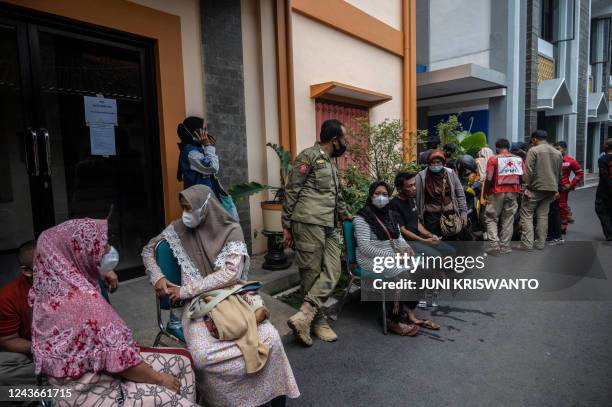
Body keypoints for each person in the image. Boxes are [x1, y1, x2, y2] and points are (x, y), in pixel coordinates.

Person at [142, 185, 299, 407]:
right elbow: (148, 250)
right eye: (183, 208)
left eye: (190, 208)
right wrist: (157, 277)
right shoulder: (178, 229)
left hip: (230, 296)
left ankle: (273, 395)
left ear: (205, 206)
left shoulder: (230, 229)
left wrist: (185, 290)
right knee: (203, 357)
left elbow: (230, 274)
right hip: (197, 306)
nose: (186, 214)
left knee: (271, 339)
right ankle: (224, 401)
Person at [30, 219, 197, 406]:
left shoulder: (47, 291)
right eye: (101, 246)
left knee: (182, 362)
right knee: (175, 396)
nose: (108, 249)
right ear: (77, 253)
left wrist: (97, 272)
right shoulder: (87, 305)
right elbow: (124, 365)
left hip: (72, 383)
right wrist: (160, 379)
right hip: (95, 392)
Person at [282, 119, 351, 346]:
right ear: (334, 139)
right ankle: (317, 322)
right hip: (308, 221)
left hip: (329, 223)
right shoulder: (308, 156)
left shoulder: (331, 162)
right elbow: (292, 190)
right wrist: (287, 226)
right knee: (311, 272)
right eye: (344, 137)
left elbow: (336, 195)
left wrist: (346, 214)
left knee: (333, 268)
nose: (346, 142)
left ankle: (304, 314)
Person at [354, 181, 440, 335]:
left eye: (385, 194)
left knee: (424, 269)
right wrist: (394, 256)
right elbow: (365, 248)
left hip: (393, 255)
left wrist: (407, 249)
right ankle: (392, 319)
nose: (381, 197)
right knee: (403, 275)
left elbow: (399, 238)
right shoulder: (362, 218)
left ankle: (406, 307)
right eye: (377, 194)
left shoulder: (390, 215)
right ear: (371, 195)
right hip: (370, 258)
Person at [177, 116, 239, 220]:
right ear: (194, 131)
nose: (206, 132)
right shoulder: (190, 152)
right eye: (204, 129)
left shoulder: (198, 149)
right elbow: (213, 167)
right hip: (200, 203)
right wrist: (208, 147)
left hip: (209, 200)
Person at [518, 130, 563, 250]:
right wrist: (556, 188)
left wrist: (526, 187)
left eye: (532, 141)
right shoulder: (557, 152)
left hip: (536, 188)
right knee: (543, 216)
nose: (532, 143)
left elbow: (528, 171)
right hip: (551, 188)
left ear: (535, 139)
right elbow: (559, 173)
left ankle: (527, 244)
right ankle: (540, 243)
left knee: (527, 214)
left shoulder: (534, 150)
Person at [0, 241, 36, 386]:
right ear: (28, 271)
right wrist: (42, 349)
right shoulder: (8, 297)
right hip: (36, 353)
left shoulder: (74, 282)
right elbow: (9, 340)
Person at [482, 138, 526, 254]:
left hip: (496, 193)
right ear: (508, 147)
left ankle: (494, 245)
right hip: (513, 192)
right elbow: (524, 177)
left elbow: (489, 178)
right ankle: (505, 246)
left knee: (491, 217)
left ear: (497, 147)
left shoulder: (493, 159)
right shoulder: (518, 159)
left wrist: (485, 192)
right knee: (508, 219)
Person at [415, 150, 468, 239]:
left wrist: (463, 214)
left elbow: (460, 195)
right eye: (433, 162)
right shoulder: (421, 177)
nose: (436, 165)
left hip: (450, 215)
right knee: (436, 243)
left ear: (443, 163)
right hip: (431, 217)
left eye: (438, 162)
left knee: (453, 242)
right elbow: (415, 196)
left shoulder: (450, 173)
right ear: (428, 163)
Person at [553, 141, 584, 234]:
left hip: (563, 188)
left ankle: (563, 226)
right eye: (555, 149)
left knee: (562, 206)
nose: (556, 150)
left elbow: (580, 173)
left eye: (558, 149)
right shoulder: (550, 160)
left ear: (564, 149)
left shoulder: (570, 161)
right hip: (550, 187)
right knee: (550, 207)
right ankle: (552, 226)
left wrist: (571, 184)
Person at [595, 139, 612, 241]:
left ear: (606, 146)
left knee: (602, 210)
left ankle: (609, 233)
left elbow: (604, 176)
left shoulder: (603, 159)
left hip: (605, 191)